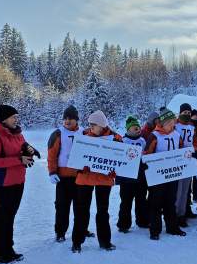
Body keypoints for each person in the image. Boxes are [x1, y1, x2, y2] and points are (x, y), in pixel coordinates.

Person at [0, 105, 36, 264]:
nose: (16, 119)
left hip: (18, 181)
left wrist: (29, 150)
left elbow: (23, 146)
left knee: (10, 218)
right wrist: (18, 160)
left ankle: (8, 249)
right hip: (1, 184)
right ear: (4, 119)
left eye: (16, 116)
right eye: (13, 117)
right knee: (2, 218)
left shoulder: (18, 134)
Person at [71, 110, 122, 253]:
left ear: (102, 125)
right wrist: (80, 166)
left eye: (94, 125)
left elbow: (122, 160)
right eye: (90, 124)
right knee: (81, 212)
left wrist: (116, 171)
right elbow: (74, 157)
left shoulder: (115, 138)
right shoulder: (82, 136)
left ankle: (105, 241)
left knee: (103, 212)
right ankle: (77, 242)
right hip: (85, 178)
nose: (91, 127)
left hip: (104, 179)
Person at [47, 105, 94, 242]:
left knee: (82, 207)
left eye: (71, 118)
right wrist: (52, 172)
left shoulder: (85, 132)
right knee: (62, 206)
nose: (67, 121)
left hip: (81, 177)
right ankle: (60, 232)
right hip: (63, 178)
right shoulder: (57, 134)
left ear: (76, 120)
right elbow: (51, 155)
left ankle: (82, 230)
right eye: (65, 118)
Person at [144, 108, 186, 240]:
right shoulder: (154, 135)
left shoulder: (177, 135)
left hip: (173, 174)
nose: (171, 124)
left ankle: (172, 227)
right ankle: (155, 230)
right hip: (157, 175)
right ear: (162, 123)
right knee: (155, 202)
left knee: (170, 201)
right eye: (168, 122)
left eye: (172, 121)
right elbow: (147, 154)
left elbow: (181, 150)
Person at [116, 116, 149, 233]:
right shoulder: (123, 141)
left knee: (141, 200)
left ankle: (142, 221)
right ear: (128, 129)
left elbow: (146, 155)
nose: (137, 129)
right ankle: (123, 224)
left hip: (141, 177)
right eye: (135, 128)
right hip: (127, 179)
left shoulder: (143, 141)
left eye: (138, 127)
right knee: (126, 202)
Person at [174, 103, 197, 228]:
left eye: (189, 113)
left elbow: (196, 141)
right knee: (177, 190)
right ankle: (174, 215)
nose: (187, 115)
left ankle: (182, 214)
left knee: (185, 189)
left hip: (188, 159)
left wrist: (193, 149)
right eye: (185, 113)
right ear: (180, 113)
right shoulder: (174, 124)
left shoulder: (191, 126)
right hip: (177, 159)